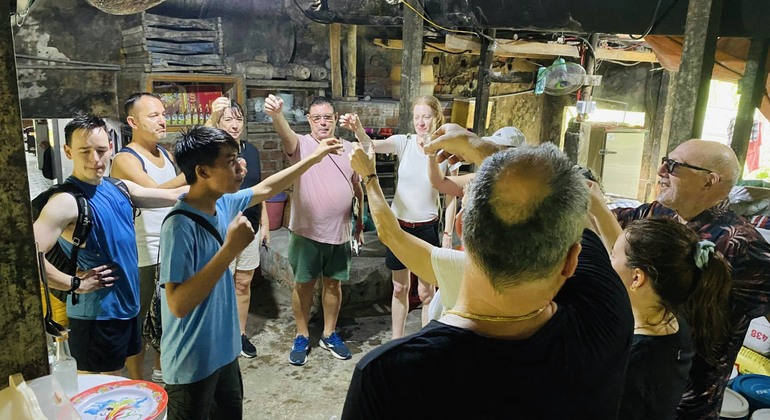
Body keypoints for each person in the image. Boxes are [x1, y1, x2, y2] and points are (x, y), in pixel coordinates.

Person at [342, 130, 634, 418]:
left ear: (461, 227)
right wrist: (481, 148)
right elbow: (568, 208)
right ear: (571, 261)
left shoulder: (389, 376)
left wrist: (369, 177)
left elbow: (391, 235)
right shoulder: (606, 319)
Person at [159, 126, 342, 419]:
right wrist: (230, 250)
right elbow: (178, 304)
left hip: (224, 351)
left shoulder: (222, 202)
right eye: (230, 161)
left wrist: (315, 158)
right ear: (202, 171)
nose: (240, 167)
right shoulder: (179, 226)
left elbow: (267, 188)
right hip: (191, 361)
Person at [611, 139, 770, 419]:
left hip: (690, 400)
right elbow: (611, 227)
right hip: (638, 376)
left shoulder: (743, 245)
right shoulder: (658, 214)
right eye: (665, 161)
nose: (661, 170)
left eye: (673, 165)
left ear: (710, 181)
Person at [32, 114, 187, 375]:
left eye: (101, 150)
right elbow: (28, 257)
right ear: (68, 151)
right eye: (85, 151)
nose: (95, 159)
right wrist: (75, 284)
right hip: (96, 316)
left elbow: (173, 195)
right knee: (95, 386)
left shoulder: (119, 187)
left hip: (126, 308)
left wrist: (220, 181)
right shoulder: (66, 201)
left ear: (111, 148)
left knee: (114, 380)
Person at [590, 183, 733, 420]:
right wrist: (598, 209)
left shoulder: (632, 363)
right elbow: (631, 256)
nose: (609, 258)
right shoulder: (673, 319)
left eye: (612, 255)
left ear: (637, 278)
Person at [339, 95, 457, 338]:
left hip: (427, 227)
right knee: (400, 287)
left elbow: (452, 195)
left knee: (426, 293)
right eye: (416, 117)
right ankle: (396, 340)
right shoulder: (404, 142)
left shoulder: (446, 151)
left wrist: (447, 234)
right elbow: (371, 145)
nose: (420, 122)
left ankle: (426, 342)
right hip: (399, 227)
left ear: (436, 117)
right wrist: (358, 129)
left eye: (426, 117)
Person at [264, 94, 364, 366]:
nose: (323, 122)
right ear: (309, 120)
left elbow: (357, 187)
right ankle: (302, 334)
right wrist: (277, 115)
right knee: (304, 284)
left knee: (333, 283)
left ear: (335, 120)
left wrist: (359, 224)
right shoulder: (302, 145)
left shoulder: (348, 149)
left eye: (327, 117)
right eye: (317, 118)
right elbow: (285, 134)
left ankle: (329, 333)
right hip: (306, 232)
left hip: (340, 232)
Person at [110, 92, 186, 381]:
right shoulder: (125, 159)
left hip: (169, 248)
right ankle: (136, 380)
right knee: (140, 322)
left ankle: (160, 371)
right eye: (153, 116)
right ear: (133, 122)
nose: (162, 120)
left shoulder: (165, 154)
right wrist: (194, 168)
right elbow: (158, 193)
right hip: (144, 253)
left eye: (163, 114)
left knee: (166, 317)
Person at [206, 97, 269, 359]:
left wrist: (265, 224)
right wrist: (211, 117)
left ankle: (240, 334)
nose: (235, 125)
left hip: (249, 228)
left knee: (243, 282)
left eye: (239, 119)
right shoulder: (211, 151)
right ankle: (221, 335)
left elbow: (258, 190)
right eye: (228, 119)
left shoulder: (251, 151)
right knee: (220, 285)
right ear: (219, 122)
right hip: (222, 229)